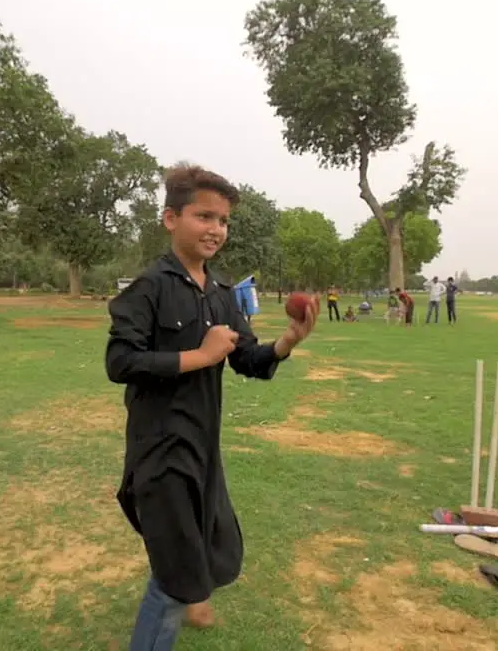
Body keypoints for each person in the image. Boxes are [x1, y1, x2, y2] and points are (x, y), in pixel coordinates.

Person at [106, 163, 318, 650]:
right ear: (170, 219)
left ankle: (192, 589)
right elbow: (120, 360)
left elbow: (247, 358)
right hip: (160, 451)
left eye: (223, 220)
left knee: (210, 545)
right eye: (204, 216)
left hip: (203, 449)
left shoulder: (223, 296)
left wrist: (286, 341)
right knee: (174, 576)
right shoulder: (149, 289)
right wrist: (197, 356)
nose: (216, 229)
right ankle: (185, 592)